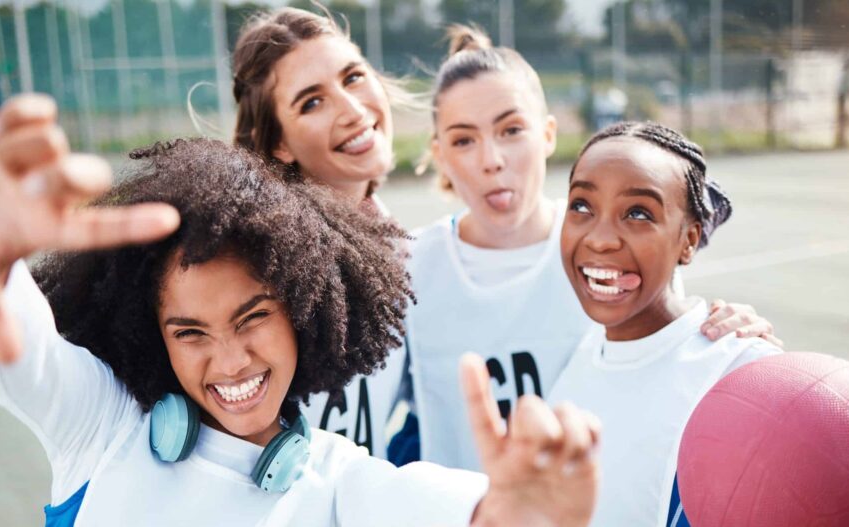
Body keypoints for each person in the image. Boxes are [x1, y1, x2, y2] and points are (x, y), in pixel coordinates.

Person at [0, 94, 601, 527]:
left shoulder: (345, 483)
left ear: (303, 309)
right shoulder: (100, 428)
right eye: (190, 332)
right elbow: (4, 345)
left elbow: (477, 515)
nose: (230, 360)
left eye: (252, 317)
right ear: (153, 334)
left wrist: (525, 516)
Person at [392, 25, 781, 470]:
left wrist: (724, 327)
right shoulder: (409, 265)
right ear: (440, 155)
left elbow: (672, 346)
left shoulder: (602, 253)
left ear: (548, 135)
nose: (491, 159)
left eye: (512, 129)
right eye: (464, 140)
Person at [549, 121, 783, 527]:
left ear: (689, 240)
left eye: (638, 213)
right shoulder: (580, 355)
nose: (601, 239)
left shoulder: (739, 371)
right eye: (582, 206)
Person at [229, 7, 409, 454]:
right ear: (278, 144)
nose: (352, 110)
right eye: (312, 102)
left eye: (352, 78)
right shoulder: (250, 267)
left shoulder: (410, 252)